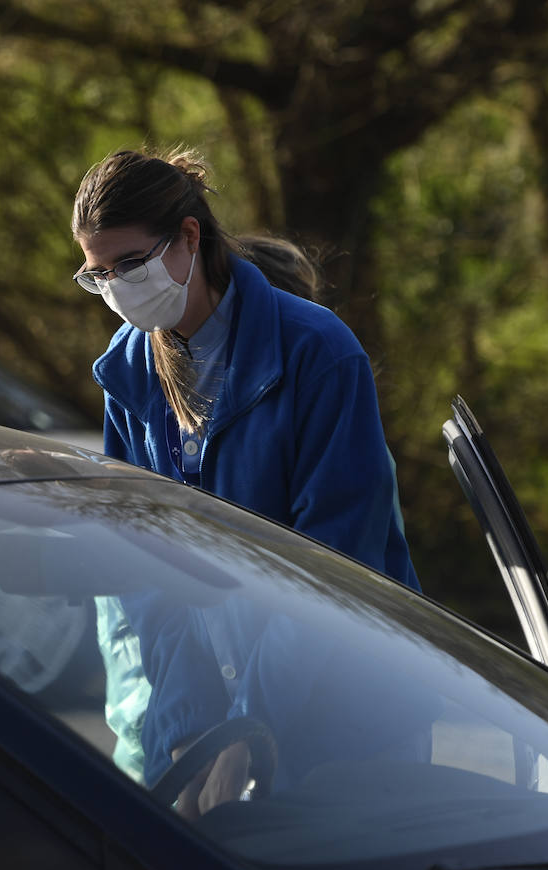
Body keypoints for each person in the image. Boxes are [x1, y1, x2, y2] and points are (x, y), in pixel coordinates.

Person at [72, 148, 425, 818]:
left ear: (189, 238)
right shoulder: (127, 374)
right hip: (216, 719)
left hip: (350, 716)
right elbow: (150, 576)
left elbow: (332, 567)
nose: (117, 286)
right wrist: (185, 731)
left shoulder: (318, 353)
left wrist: (248, 727)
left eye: (130, 265)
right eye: (99, 275)